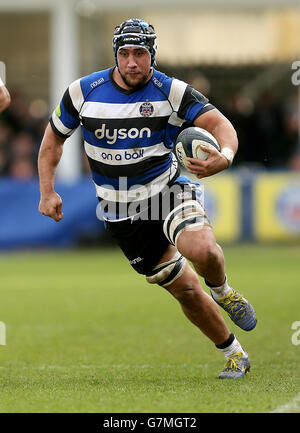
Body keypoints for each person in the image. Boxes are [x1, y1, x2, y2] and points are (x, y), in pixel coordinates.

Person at [38, 18, 257, 379]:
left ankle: (223, 291)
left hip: (166, 192)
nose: (132, 62)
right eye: (124, 54)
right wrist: (47, 191)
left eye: (140, 53)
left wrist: (226, 155)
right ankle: (235, 354)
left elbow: (220, 124)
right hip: (120, 212)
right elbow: (52, 142)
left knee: (203, 251)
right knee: (185, 289)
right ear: (116, 55)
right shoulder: (82, 92)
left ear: (152, 54)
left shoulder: (170, 91)